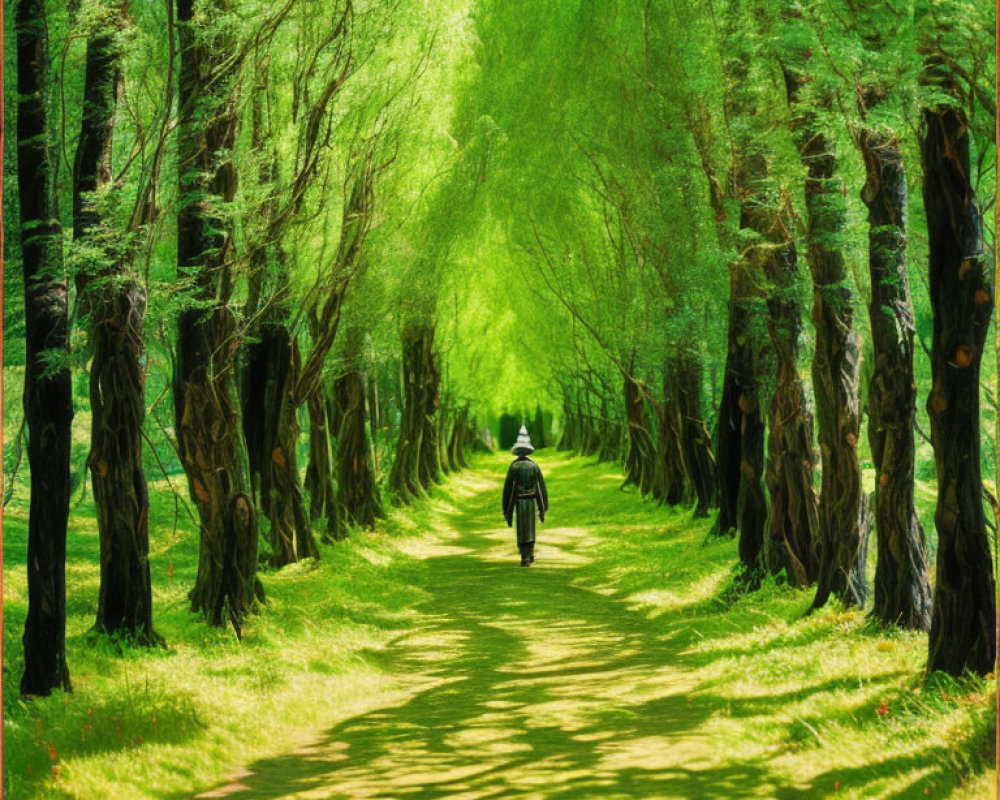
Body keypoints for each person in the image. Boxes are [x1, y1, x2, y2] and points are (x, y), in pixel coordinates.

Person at [501, 426, 549, 567]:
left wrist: (507, 510)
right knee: (531, 528)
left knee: (521, 528)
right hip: (531, 501)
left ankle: (524, 556)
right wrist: (542, 507)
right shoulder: (534, 466)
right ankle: (530, 553)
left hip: (519, 502)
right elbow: (540, 489)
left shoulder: (514, 467)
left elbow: (508, 490)